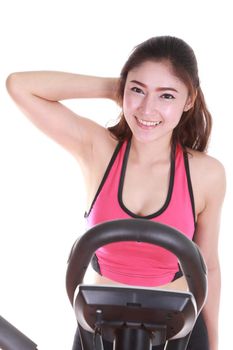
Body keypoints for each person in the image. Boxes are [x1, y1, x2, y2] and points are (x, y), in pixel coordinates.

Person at [6, 36, 226, 350]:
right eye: (138, 90)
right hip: (100, 329)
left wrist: (215, 343)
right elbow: (19, 86)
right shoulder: (98, 149)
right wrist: (113, 88)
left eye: (166, 95)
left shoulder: (207, 173)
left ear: (188, 101)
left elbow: (210, 267)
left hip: (177, 332)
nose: (147, 108)